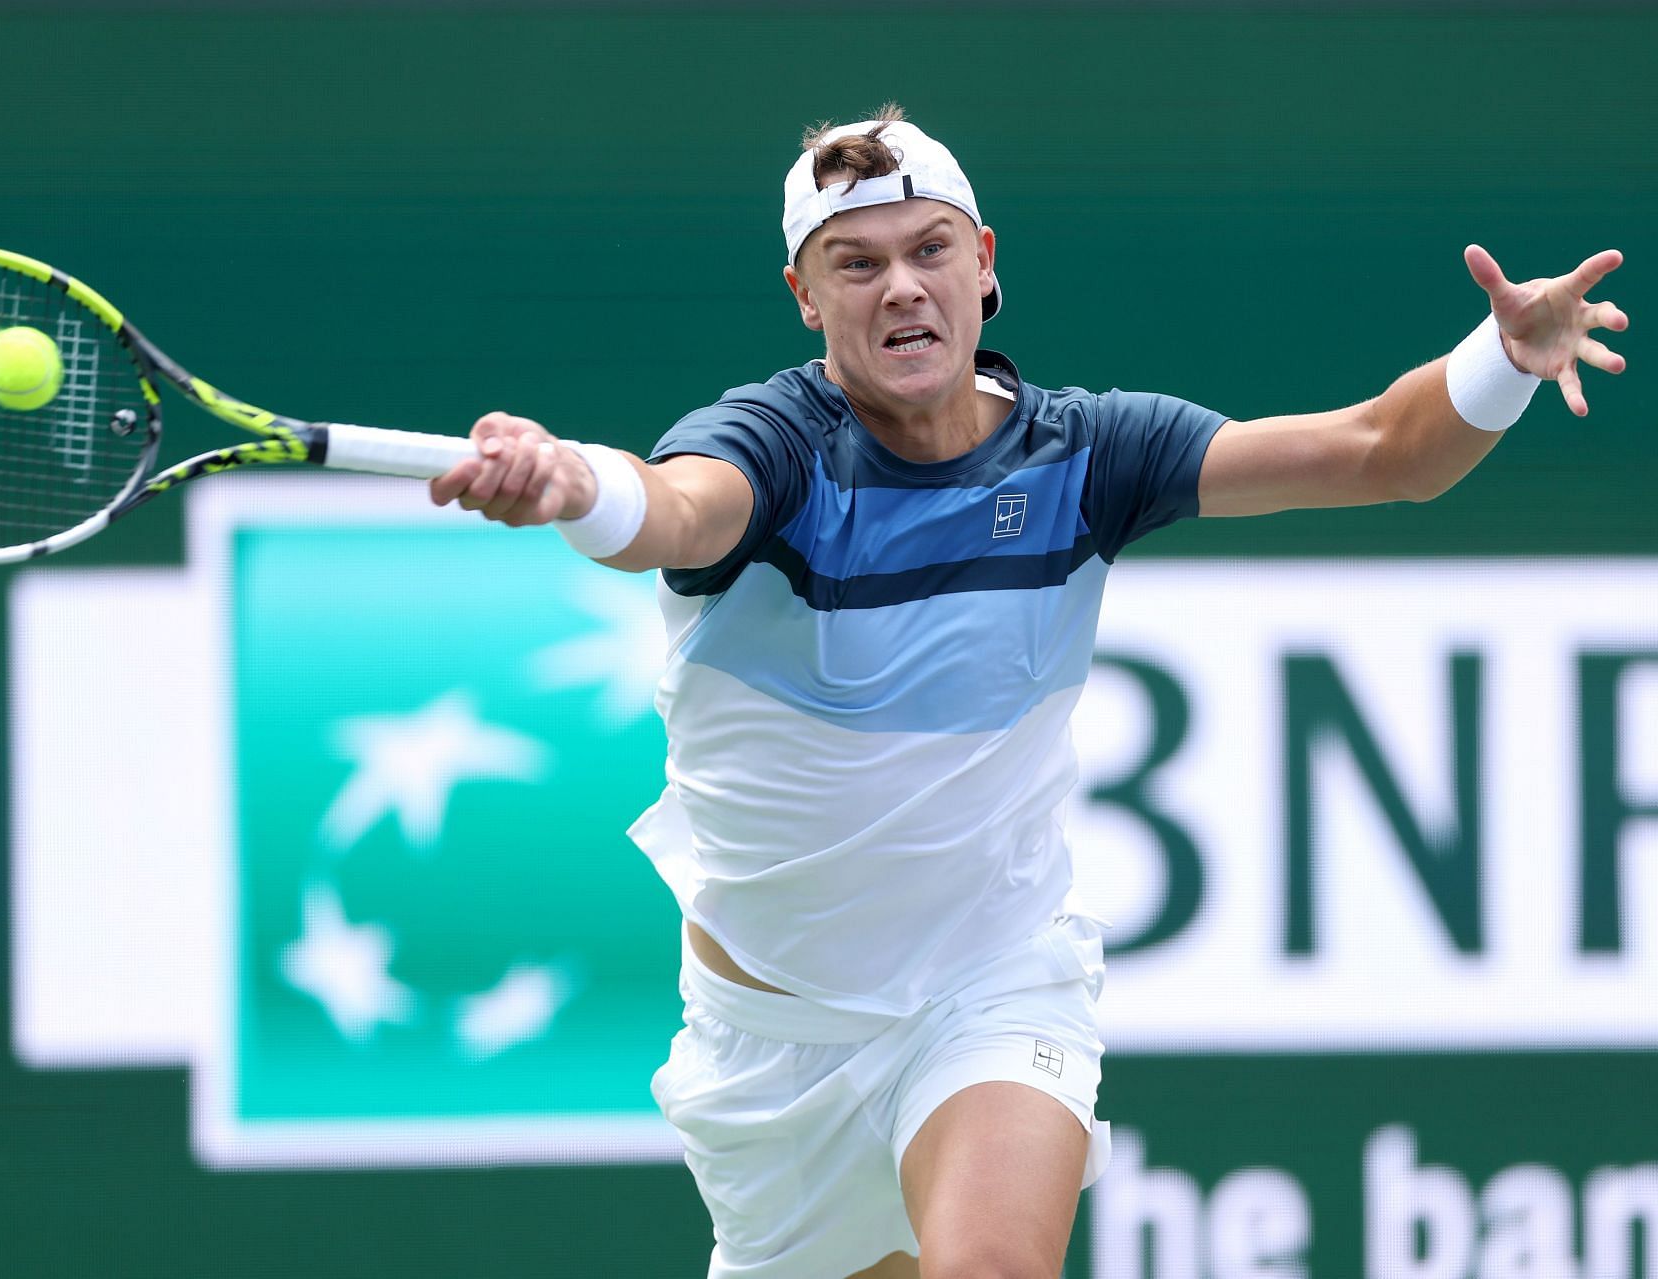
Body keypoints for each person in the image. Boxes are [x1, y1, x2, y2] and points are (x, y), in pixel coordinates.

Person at [428, 105, 1628, 1279]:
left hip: (988, 982)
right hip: (770, 1052)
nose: (901, 287)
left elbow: (1383, 450)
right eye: (856, 264)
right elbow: (674, 508)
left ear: (982, 263)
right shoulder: (771, 444)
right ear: (806, 296)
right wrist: (576, 488)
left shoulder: (1091, 455)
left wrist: (1503, 360)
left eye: (928, 250)